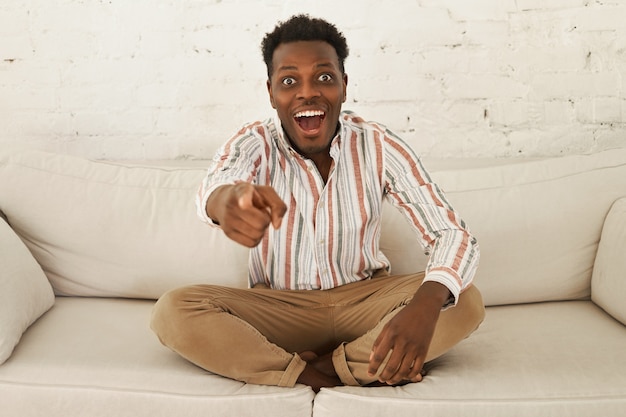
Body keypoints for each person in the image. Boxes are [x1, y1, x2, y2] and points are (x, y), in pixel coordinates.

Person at [151, 14, 484, 393]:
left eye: (324, 77)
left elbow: (450, 232)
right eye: (289, 81)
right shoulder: (255, 141)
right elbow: (219, 181)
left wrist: (425, 307)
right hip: (279, 309)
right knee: (174, 310)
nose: (307, 92)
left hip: (364, 300)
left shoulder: (378, 144)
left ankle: (315, 368)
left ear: (344, 85)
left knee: (463, 300)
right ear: (271, 91)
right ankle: (325, 372)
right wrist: (225, 200)